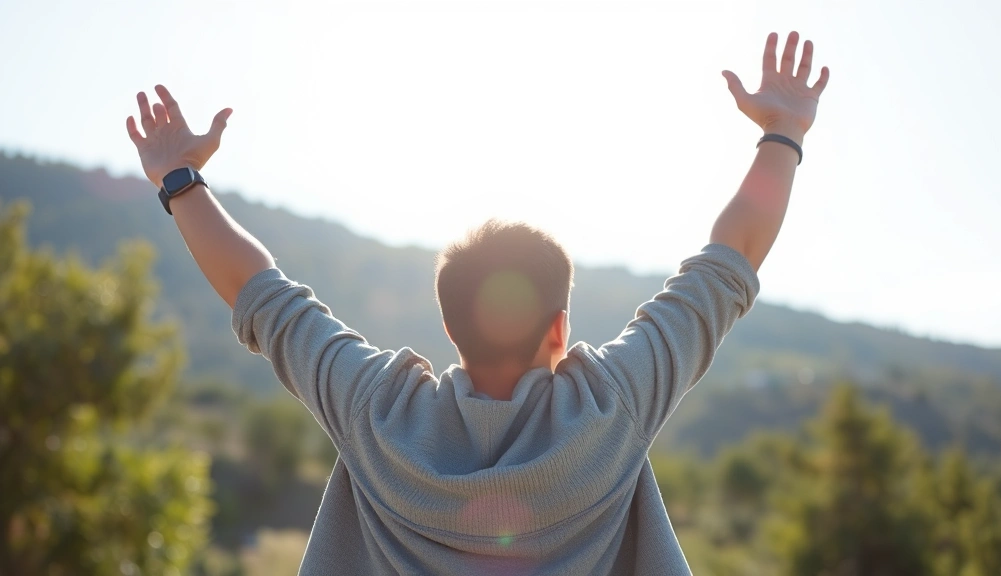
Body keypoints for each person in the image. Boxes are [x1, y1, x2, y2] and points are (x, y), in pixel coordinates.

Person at [126, 30, 828, 576]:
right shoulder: (611, 410)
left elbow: (261, 294)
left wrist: (181, 180)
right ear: (560, 329)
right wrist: (783, 132)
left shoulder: (378, 413)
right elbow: (730, 258)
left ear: (449, 326)